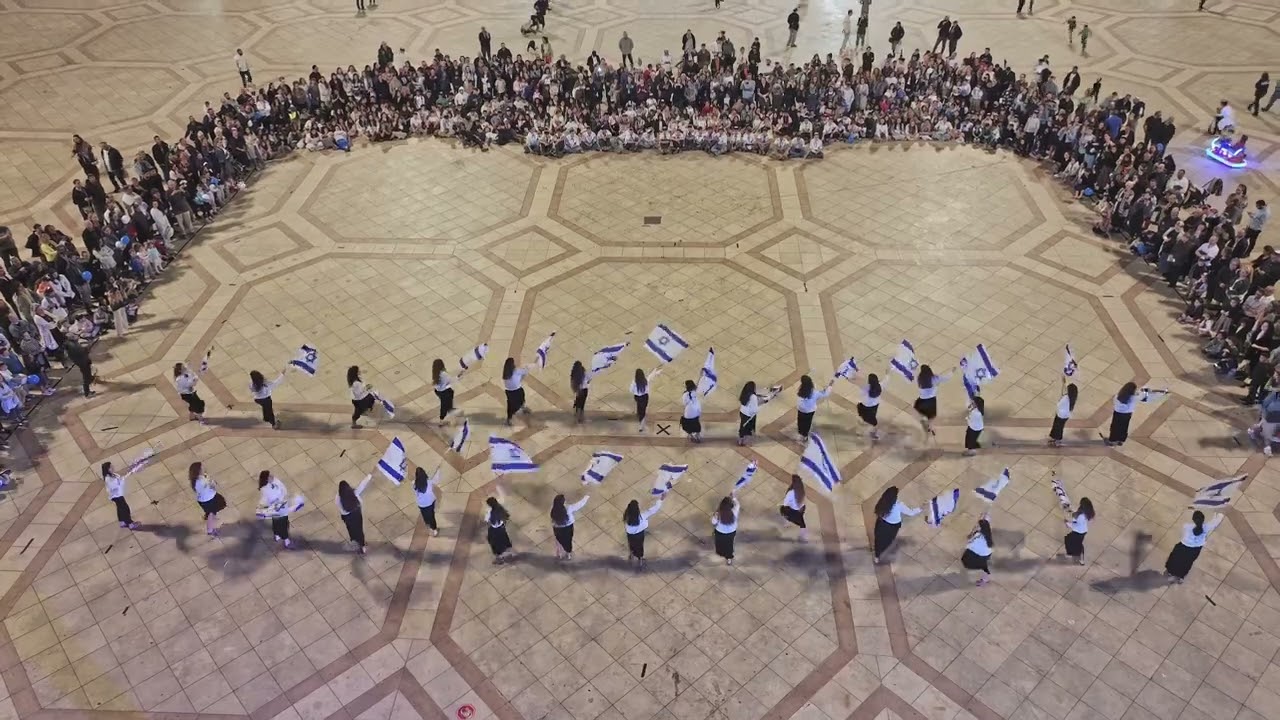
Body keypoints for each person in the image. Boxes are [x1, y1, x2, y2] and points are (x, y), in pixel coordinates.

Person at [1165, 510, 1223, 583]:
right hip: (1195, 549)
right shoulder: (1207, 527)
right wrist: (1218, 514)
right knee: (1187, 562)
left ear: (1193, 520)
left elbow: (1183, 534)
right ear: (1203, 520)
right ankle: (1180, 576)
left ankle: (1170, 572)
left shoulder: (1187, 526)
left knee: (1175, 559)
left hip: (1183, 546)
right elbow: (1215, 522)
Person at [872, 486, 920, 563]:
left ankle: (877, 555)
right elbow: (911, 513)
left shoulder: (882, 502)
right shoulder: (898, 505)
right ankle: (882, 551)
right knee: (888, 540)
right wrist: (920, 509)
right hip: (893, 526)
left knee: (878, 539)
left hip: (881, 524)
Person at [624, 496, 664, 569]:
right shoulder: (642, 516)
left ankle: (631, 556)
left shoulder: (626, 518)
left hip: (630, 535)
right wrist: (661, 499)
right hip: (639, 535)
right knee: (639, 547)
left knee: (631, 545)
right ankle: (640, 561)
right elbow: (653, 510)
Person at [336, 474, 373, 554]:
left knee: (351, 530)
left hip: (347, 517)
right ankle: (362, 546)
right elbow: (362, 485)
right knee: (359, 530)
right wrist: (369, 476)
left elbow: (340, 508)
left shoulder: (338, 498)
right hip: (356, 514)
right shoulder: (353, 494)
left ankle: (354, 541)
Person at [913, 364, 952, 436]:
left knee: (920, 412)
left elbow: (912, 376)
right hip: (931, 401)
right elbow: (946, 378)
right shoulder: (934, 378)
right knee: (931, 417)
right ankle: (930, 428)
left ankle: (924, 420)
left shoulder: (919, 379)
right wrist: (952, 371)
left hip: (922, 400)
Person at [190, 462, 226, 536]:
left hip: (205, 499)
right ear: (199, 471)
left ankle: (208, 515)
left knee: (211, 511)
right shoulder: (200, 482)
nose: (204, 468)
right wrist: (211, 483)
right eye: (202, 467)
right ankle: (210, 530)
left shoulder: (199, 478)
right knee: (211, 514)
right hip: (208, 500)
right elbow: (209, 486)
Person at [550, 493, 589, 560]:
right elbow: (579, 505)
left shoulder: (553, 510)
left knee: (558, 540)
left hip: (557, 528)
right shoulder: (568, 508)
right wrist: (586, 498)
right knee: (568, 541)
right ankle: (568, 554)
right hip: (567, 527)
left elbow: (552, 521)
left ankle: (559, 553)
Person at [103, 461, 141, 530]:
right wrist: (121, 481)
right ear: (108, 469)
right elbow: (115, 485)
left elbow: (119, 480)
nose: (113, 467)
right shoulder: (108, 479)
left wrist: (128, 473)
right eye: (111, 467)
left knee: (120, 508)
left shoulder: (112, 475)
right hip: (116, 496)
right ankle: (130, 524)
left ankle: (122, 522)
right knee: (125, 509)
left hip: (117, 495)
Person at [259, 471, 292, 548]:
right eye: (269, 476)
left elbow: (284, 489)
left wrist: (282, 498)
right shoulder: (264, 489)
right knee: (281, 523)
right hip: (275, 508)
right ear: (266, 479)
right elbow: (265, 500)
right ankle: (285, 538)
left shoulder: (276, 481)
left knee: (280, 522)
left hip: (282, 506)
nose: (272, 476)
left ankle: (278, 535)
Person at [737, 380, 776, 445]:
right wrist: (759, 407)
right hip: (749, 415)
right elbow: (754, 409)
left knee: (743, 426)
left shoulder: (745, 393)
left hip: (742, 412)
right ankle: (744, 441)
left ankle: (741, 438)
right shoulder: (753, 397)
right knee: (748, 428)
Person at [795, 374, 832, 441]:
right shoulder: (815, 393)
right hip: (809, 411)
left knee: (800, 420)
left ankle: (800, 432)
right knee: (807, 422)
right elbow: (825, 394)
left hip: (801, 409)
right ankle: (804, 435)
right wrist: (829, 386)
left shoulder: (800, 390)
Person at [961, 514, 994, 586]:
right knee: (983, 566)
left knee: (967, 561)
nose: (977, 526)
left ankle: (984, 576)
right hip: (986, 553)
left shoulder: (978, 536)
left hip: (979, 554)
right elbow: (986, 520)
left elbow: (970, 544)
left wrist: (970, 538)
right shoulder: (987, 532)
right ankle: (985, 577)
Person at [1103, 382, 1139, 446]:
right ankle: (1121, 440)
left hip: (1118, 414)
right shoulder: (1133, 398)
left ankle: (1112, 441)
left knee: (1115, 427)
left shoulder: (1117, 396)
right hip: (1127, 414)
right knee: (1124, 427)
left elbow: (1115, 403)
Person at [501, 357, 533, 425]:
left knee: (510, 405)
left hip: (509, 392)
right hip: (517, 390)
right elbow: (525, 371)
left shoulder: (505, 373)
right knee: (521, 399)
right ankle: (523, 408)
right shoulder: (516, 371)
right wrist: (527, 366)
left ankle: (509, 419)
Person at [1062, 498, 1094, 565]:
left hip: (1078, 532)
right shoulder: (1087, 512)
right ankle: (1080, 559)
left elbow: (1076, 525)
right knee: (1078, 544)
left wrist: (1068, 523)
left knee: (1069, 541)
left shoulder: (1081, 516)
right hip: (1083, 531)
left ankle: (1073, 555)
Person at [711, 492, 740, 565]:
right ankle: (729, 558)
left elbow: (713, 522)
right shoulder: (734, 511)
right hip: (731, 532)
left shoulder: (718, 514)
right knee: (729, 544)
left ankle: (721, 552)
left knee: (720, 543)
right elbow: (737, 504)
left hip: (720, 532)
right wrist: (733, 497)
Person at [486, 497, 515, 563]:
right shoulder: (500, 508)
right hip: (501, 528)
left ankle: (499, 558)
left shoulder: (492, 513)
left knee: (494, 543)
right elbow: (506, 517)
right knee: (504, 539)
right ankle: (509, 552)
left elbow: (491, 522)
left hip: (494, 530)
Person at [779, 475, 808, 542]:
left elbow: (785, 503)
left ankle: (787, 523)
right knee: (802, 524)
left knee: (786, 513)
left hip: (794, 510)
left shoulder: (790, 492)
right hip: (800, 509)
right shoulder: (801, 490)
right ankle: (803, 536)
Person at [413, 466, 440, 536]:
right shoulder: (429, 482)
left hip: (421, 504)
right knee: (432, 516)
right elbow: (436, 480)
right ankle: (434, 529)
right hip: (430, 502)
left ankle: (427, 523)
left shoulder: (414, 484)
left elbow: (416, 493)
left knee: (424, 514)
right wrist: (438, 470)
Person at [630, 367, 660, 432]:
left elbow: (631, 390)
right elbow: (651, 377)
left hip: (637, 397)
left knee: (639, 406)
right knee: (643, 410)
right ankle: (641, 425)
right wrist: (655, 371)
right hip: (644, 397)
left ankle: (639, 414)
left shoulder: (634, 382)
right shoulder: (645, 380)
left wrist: (655, 371)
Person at [1048, 383, 1078, 447]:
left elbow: (1059, 404)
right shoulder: (1072, 398)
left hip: (1060, 415)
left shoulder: (1066, 398)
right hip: (1065, 416)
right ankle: (1056, 439)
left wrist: (1060, 399)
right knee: (1060, 427)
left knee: (1057, 427)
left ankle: (1056, 440)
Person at [431, 358, 457, 426]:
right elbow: (450, 380)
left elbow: (436, 384)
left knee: (444, 405)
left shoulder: (435, 372)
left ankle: (442, 420)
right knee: (447, 406)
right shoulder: (444, 374)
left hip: (438, 391)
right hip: (445, 392)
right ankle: (448, 420)